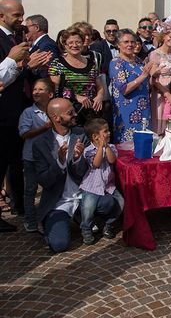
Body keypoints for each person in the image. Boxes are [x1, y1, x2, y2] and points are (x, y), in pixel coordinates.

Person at [32, 98, 88, 252]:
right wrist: (59, 163)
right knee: (59, 244)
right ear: (56, 118)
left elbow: (88, 172)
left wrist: (78, 159)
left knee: (109, 204)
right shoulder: (41, 143)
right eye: (70, 113)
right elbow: (44, 181)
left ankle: (82, 218)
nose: (75, 114)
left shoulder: (81, 134)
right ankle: (53, 225)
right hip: (59, 202)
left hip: (82, 196)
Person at [0, 0, 32, 230]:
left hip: (13, 112)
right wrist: (12, 59)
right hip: (2, 113)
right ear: (2, 16)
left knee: (8, 162)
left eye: (22, 14)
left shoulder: (15, 39)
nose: (21, 19)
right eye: (16, 15)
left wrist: (24, 65)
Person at [79, 118, 124, 245]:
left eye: (108, 130)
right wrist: (100, 148)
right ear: (95, 136)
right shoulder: (88, 151)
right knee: (88, 208)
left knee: (120, 203)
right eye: (105, 131)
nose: (109, 133)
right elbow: (96, 164)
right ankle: (86, 228)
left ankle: (108, 224)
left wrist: (106, 147)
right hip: (91, 186)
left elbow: (111, 160)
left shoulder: (111, 147)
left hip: (108, 186)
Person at [49, 27, 105, 126]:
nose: (74, 45)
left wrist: (99, 96)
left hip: (90, 113)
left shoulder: (91, 64)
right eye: (70, 42)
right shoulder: (57, 63)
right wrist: (76, 97)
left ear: (83, 43)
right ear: (64, 44)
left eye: (78, 42)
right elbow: (55, 88)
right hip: (68, 114)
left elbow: (99, 86)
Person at [109, 29, 157, 143]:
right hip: (127, 112)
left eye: (132, 42)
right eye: (126, 42)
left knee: (144, 144)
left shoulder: (138, 61)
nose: (130, 45)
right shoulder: (116, 63)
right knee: (128, 147)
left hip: (144, 109)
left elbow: (145, 84)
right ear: (118, 44)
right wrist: (143, 76)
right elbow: (124, 89)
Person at [19, 78, 54, 232]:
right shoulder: (28, 112)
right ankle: (30, 220)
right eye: (34, 90)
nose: (36, 92)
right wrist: (45, 128)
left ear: (50, 94)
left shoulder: (54, 109)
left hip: (50, 157)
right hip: (31, 157)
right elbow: (24, 133)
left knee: (50, 188)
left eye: (40, 89)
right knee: (30, 190)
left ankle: (48, 218)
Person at [147, 22, 171, 135]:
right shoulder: (155, 54)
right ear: (163, 36)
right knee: (161, 128)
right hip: (161, 95)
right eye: (170, 36)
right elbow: (153, 79)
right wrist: (168, 95)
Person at [24, 14, 58, 79]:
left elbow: (47, 70)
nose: (25, 31)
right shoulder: (39, 43)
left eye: (26, 28)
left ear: (37, 28)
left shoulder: (47, 45)